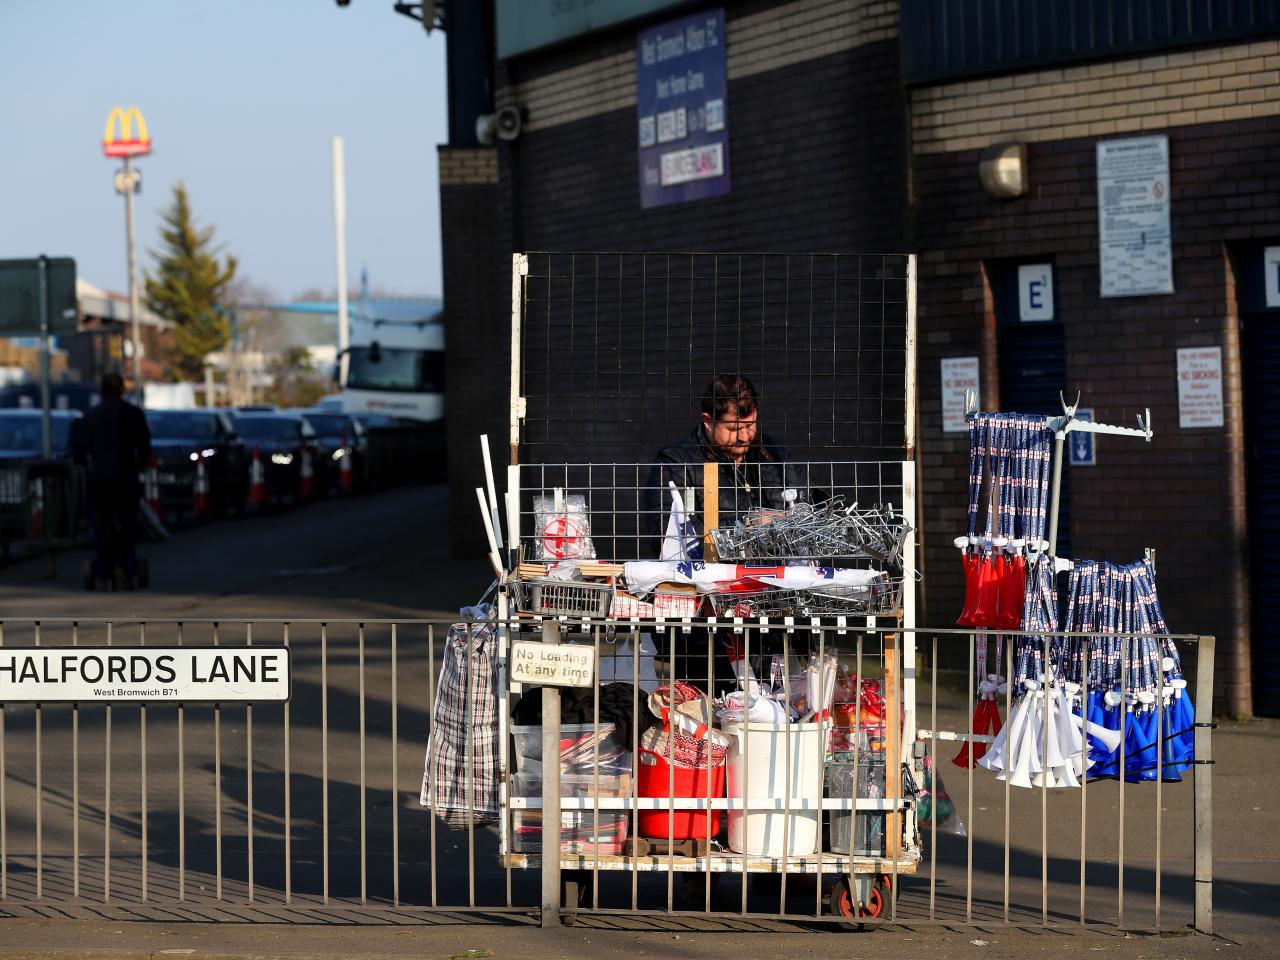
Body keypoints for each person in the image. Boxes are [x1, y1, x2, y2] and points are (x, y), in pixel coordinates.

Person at [646, 374, 801, 690]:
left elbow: (804, 519)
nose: (744, 436)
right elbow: (665, 536)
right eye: (733, 428)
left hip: (773, 609)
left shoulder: (775, 454)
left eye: (751, 425)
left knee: (778, 710)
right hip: (705, 622)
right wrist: (749, 528)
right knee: (712, 709)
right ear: (707, 420)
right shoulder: (677, 462)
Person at [72, 372, 152, 588]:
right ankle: (125, 562)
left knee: (102, 522)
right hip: (126, 475)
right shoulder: (133, 414)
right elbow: (144, 446)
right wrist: (141, 463)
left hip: (101, 478)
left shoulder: (91, 416)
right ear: (121, 390)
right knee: (128, 521)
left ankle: (106, 566)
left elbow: (78, 449)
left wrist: (84, 461)